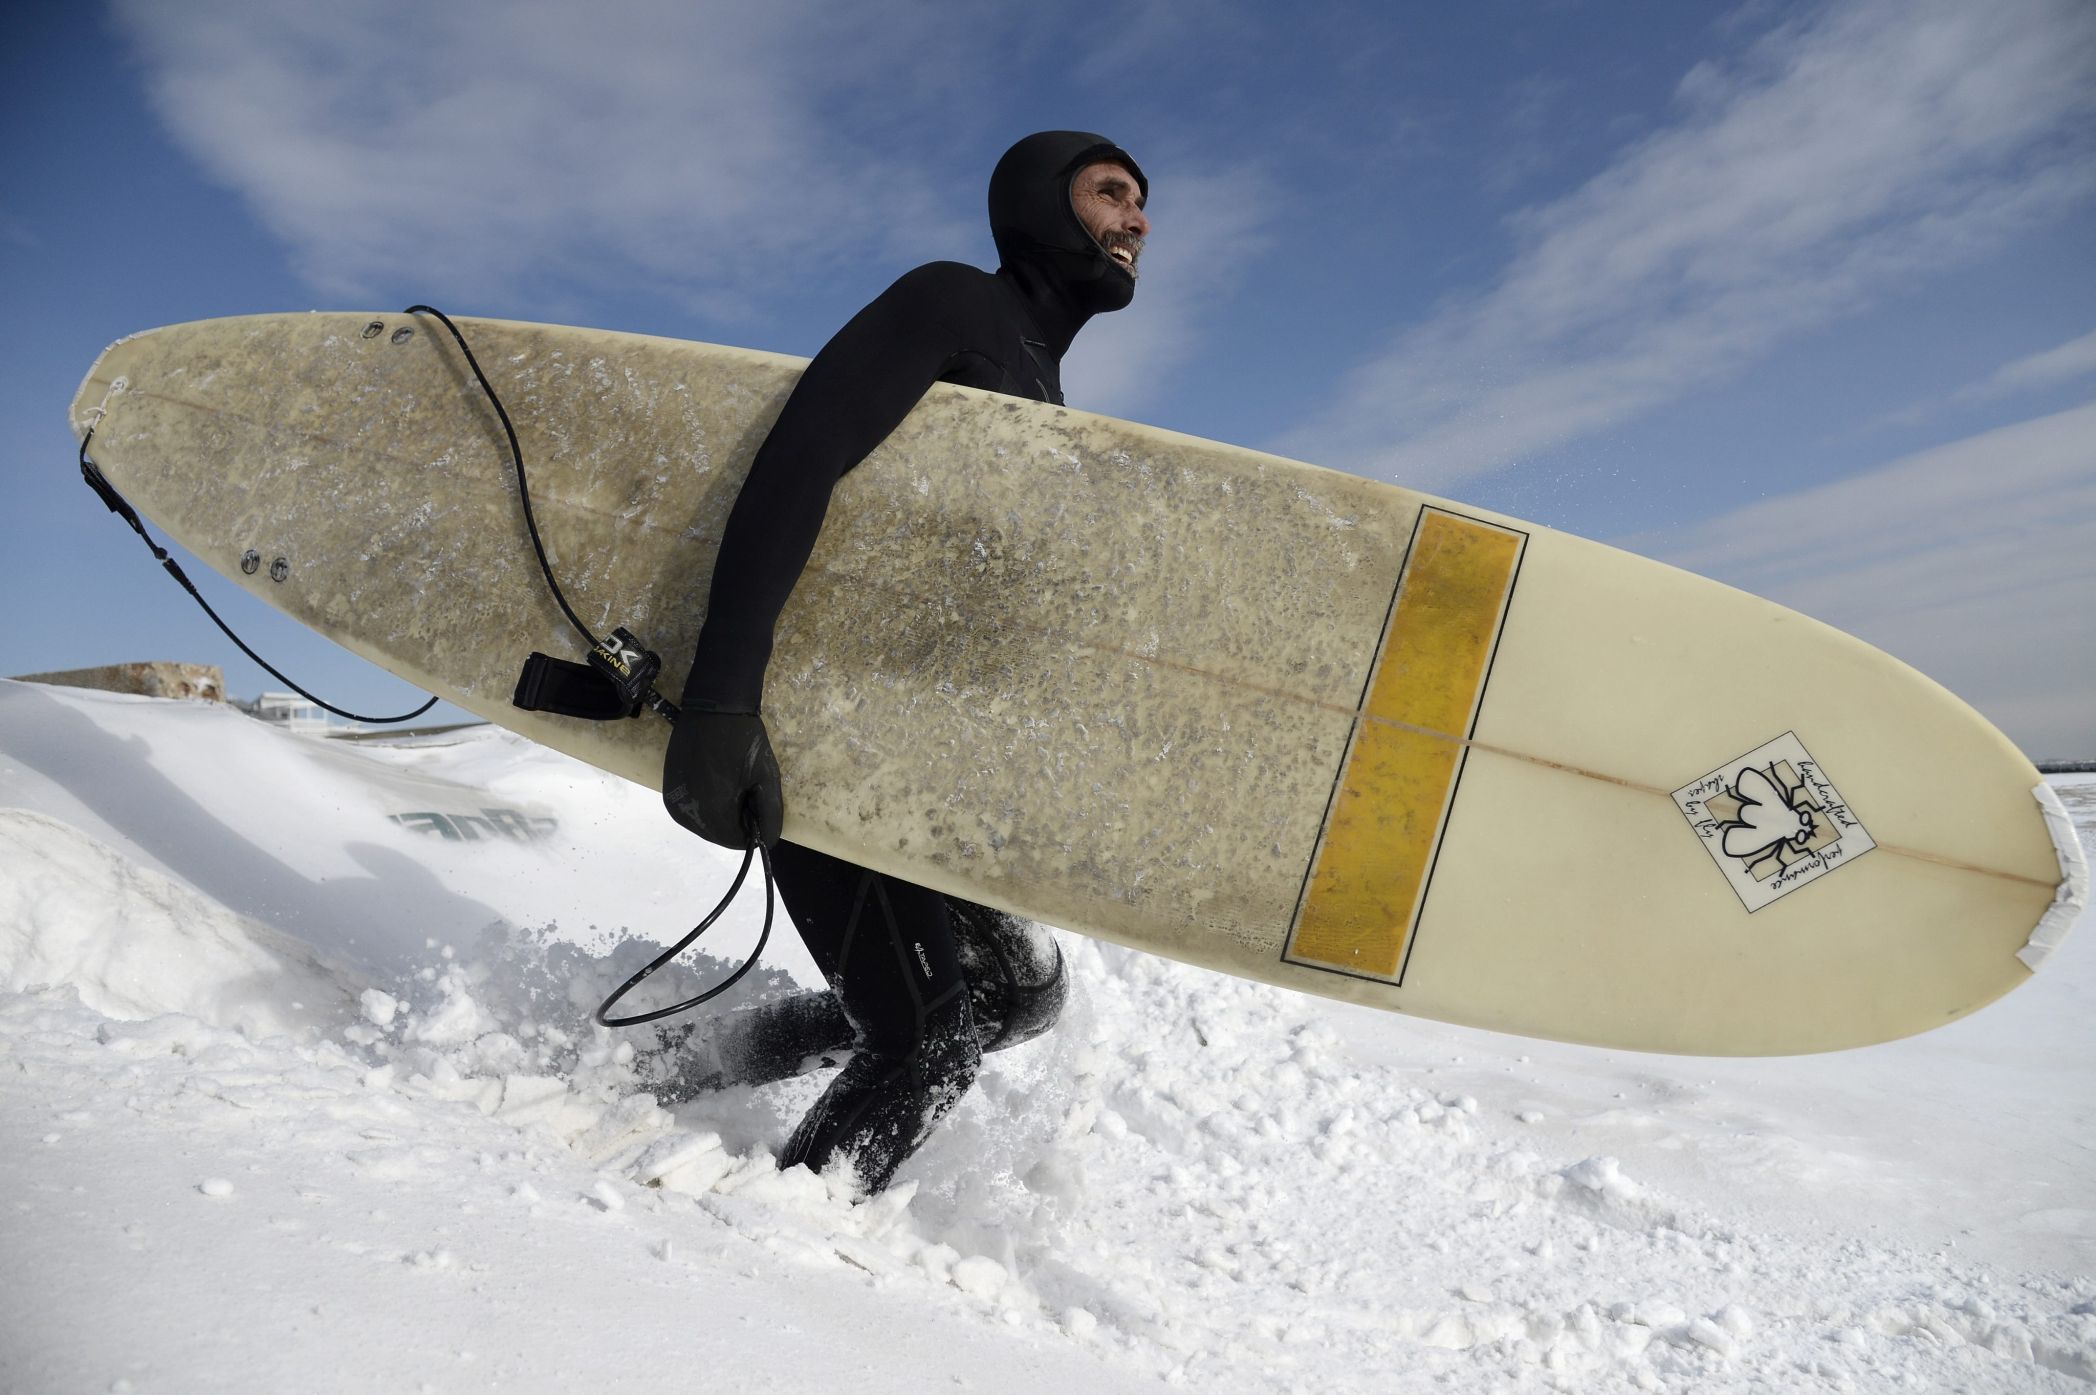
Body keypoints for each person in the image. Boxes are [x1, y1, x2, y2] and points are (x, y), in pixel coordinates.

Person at [657, 131, 1151, 1195]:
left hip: (908, 743)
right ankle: (766, 1251)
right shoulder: (953, 306)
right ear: (1040, 203)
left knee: (1018, 993)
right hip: (807, 718)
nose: (1138, 219)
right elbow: (799, 459)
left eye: (1139, 201)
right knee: (924, 1040)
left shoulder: (1038, 378)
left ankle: (686, 1065)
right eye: (1110, 193)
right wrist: (721, 698)